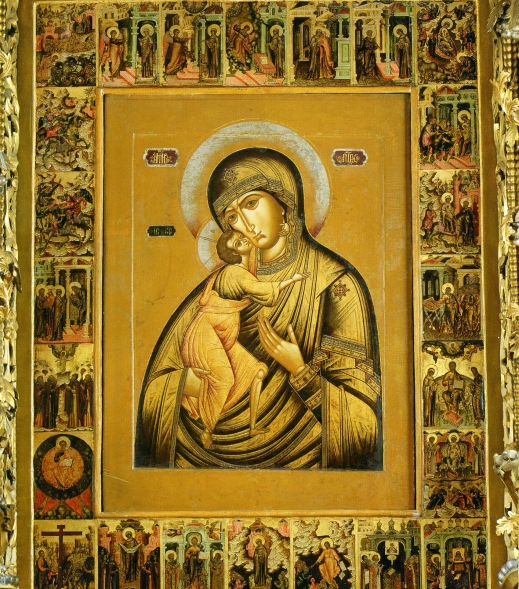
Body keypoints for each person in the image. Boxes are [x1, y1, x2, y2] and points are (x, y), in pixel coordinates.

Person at [135, 148, 381, 470]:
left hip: (305, 464)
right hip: (201, 457)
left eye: (251, 203)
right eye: (232, 217)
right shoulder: (220, 287)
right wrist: (188, 384)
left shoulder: (334, 284)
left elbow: (363, 427)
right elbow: (156, 391)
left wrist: (300, 371)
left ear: (285, 203)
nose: (245, 224)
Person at [181, 228, 308, 449]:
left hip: (224, 332)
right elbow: (260, 289)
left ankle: (252, 426)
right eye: (238, 242)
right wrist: (292, 280)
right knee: (224, 379)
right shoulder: (234, 272)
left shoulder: (243, 270)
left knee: (258, 371)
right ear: (233, 253)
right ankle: (207, 428)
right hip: (208, 332)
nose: (243, 240)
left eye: (241, 238)